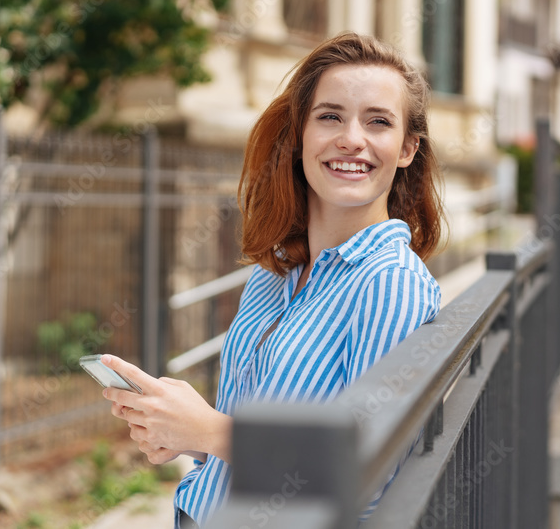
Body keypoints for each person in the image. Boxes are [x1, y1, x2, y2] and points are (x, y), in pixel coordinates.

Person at [100, 32, 447, 528]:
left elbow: (365, 472)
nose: (352, 137)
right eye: (330, 116)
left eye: (378, 122)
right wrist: (178, 432)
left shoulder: (391, 284)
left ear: (408, 148)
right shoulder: (273, 275)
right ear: (300, 135)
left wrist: (209, 430)